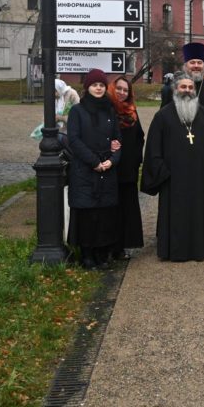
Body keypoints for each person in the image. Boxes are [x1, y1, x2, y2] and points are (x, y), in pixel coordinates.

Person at [141, 73, 204, 262]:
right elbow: (153, 149)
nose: (187, 91)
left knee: (198, 214)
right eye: (183, 87)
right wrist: (163, 173)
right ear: (175, 89)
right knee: (174, 216)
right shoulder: (163, 116)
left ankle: (198, 250)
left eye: (190, 87)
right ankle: (174, 251)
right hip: (173, 179)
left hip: (199, 177)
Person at [66, 69, 122, 269]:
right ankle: (87, 255)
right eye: (94, 85)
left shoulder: (109, 110)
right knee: (88, 215)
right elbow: (74, 139)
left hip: (106, 169)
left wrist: (112, 160)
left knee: (104, 215)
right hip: (86, 169)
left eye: (101, 85)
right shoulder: (77, 111)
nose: (98, 88)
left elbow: (117, 140)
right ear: (87, 87)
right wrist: (94, 162)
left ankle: (101, 253)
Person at [107, 76, 144, 259]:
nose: (122, 92)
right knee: (110, 208)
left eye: (125, 90)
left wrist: (137, 159)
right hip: (110, 168)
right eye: (119, 89)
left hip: (128, 169)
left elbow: (139, 136)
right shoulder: (107, 109)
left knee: (126, 208)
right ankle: (108, 246)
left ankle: (122, 246)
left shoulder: (132, 112)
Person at [162, 42, 204, 111]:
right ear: (185, 66)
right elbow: (164, 115)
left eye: (199, 63)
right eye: (192, 62)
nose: (196, 66)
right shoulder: (173, 88)